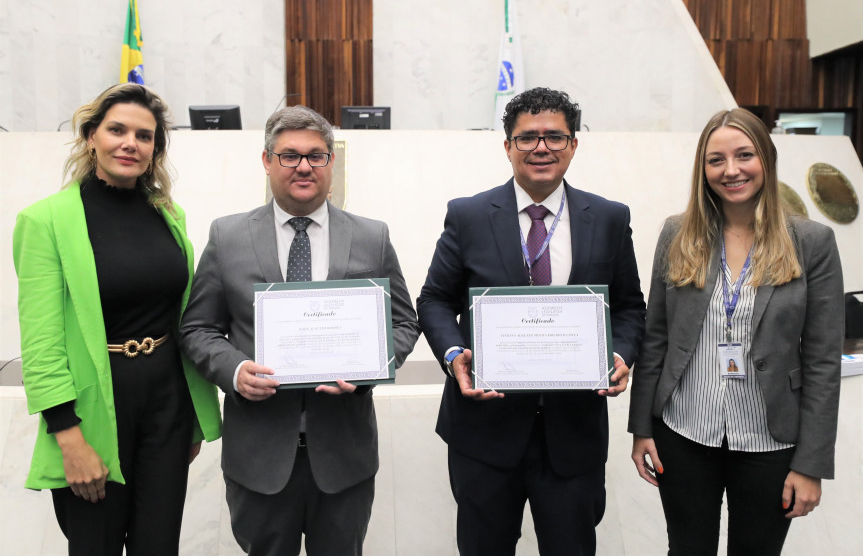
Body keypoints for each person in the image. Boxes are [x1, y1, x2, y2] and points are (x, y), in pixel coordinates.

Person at [178, 105, 420, 556]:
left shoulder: (372, 236)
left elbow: (404, 321)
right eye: (289, 155)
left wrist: (370, 367)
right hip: (259, 456)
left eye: (316, 155)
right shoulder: (227, 236)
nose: (304, 166)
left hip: (345, 456)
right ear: (267, 161)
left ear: (332, 162)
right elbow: (198, 327)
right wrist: (234, 371)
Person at [416, 87, 646, 555]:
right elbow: (435, 299)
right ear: (507, 146)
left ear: (574, 145)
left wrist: (619, 354)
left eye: (555, 137)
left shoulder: (607, 217)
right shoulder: (469, 215)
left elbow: (629, 307)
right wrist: (455, 354)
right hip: (484, 431)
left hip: (573, 434)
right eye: (527, 138)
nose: (541, 148)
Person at [12, 83, 222, 556]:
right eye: (117, 130)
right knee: (95, 547)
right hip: (91, 417)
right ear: (90, 137)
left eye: (145, 136)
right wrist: (69, 438)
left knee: (158, 546)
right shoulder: (44, 222)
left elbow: (179, 314)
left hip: (168, 407)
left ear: (155, 150)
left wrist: (190, 418)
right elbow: (41, 344)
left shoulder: (168, 215)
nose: (131, 143)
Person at [628, 108, 843, 555]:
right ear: (702, 169)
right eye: (716, 160)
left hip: (770, 437)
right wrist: (641, 428)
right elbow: (656, 337)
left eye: (744, 155)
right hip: (684, 431)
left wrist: (812, 464)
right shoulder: (677, 234)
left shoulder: (812, 242)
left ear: (765, 157)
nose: (731, 171)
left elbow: (823, 361)